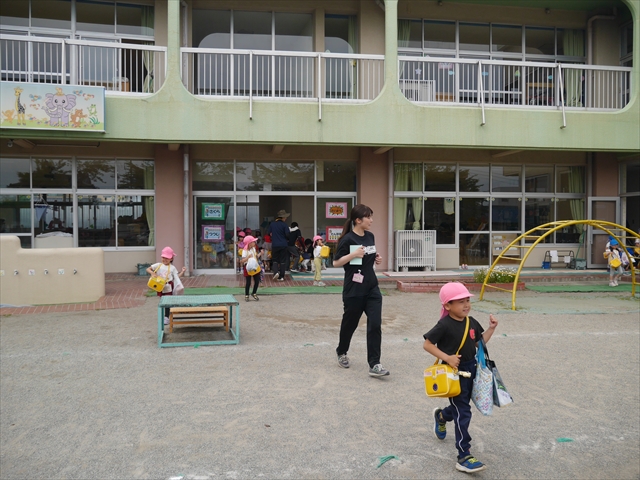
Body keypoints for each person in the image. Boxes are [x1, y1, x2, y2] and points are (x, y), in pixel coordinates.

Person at [423, 282, 498, 474]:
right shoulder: (444, 324)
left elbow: (479, 344)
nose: (466, 305)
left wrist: (491, 329)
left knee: (460, 408)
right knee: (463, 412)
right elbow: (427, 344)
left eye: (467, 301)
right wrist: (447, 357)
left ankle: (441, 416)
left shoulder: (471, 322)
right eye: (461, 302)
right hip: (453, 373)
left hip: (471, 370)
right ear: (447, 305)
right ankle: (464, 455)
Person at [333, 204, 388, 377]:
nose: (371, 220)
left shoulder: (370, 236)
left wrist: (377, 258)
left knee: (375, 325)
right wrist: (353, 255)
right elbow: (336, 262)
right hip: (354, 290)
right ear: (358, 220)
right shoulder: (347, 239)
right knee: (350, 324)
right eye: (368, 217)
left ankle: (375, 364)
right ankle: (342, 351)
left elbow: (369, 256)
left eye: (371, 217)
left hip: (372, 288)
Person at [146, 246, 186, 324]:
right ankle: (166, 314)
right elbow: (148, 269)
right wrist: (152, 273)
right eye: (163, 257)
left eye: (167, 258)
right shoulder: (158, 265)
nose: (165, 259)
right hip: (160, 285)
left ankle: (166, 317)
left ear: (171, 259)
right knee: (162, 301)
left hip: (168, 285)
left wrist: (182, 272)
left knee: (167, 301)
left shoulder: (172, 268)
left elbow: (176, 277)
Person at [267, 209, 290, 281]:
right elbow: (287, 235)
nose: (286, 218)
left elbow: (268, 233)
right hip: (283, 244)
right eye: (285, 217)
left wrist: (273, 236)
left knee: (275, 260)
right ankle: (282, 276)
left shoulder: (272, 224)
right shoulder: (284, 225)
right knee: (283, 261)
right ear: (283, 217)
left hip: (275, 244)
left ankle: (276, 272)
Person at [240, 235, 261, 301]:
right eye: (253, 241)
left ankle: (254, 293)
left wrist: (260, 254)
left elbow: (256, 256)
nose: (254, 243)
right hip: (247, 267)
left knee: (257, 281)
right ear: (249, 243)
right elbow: (242, 261)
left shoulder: (253, 249)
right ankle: (247, 295)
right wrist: (248, 257)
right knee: (248, 282)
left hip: (254, 266)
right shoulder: (244, 251)